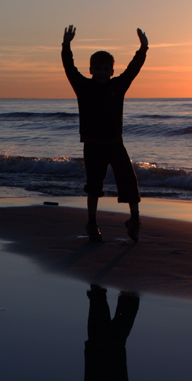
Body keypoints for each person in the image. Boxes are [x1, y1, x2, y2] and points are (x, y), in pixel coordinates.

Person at [62, 25, 148, 243]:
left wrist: (143, 48)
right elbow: (69, 67)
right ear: (91, 70)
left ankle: (135, 220)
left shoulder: (118, 85)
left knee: (129, 182)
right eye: (97, 68)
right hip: (92, 145)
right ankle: (92, 223)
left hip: (115, 143)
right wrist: (66, 45)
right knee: (94, 186)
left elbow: (133, 69)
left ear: (111, 71)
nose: (101, 72)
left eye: (105, 68)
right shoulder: (83, 86)